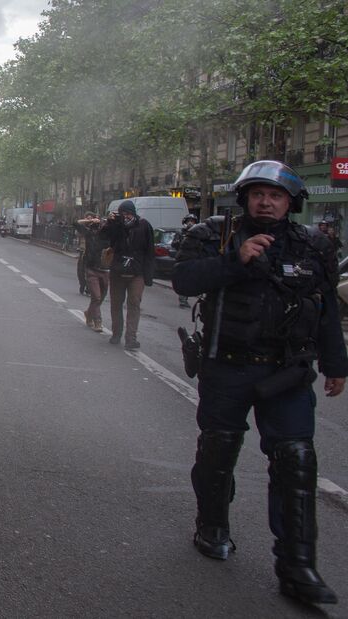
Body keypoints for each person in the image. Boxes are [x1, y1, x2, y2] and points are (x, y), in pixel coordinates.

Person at [173, 160, 346, 606]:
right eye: (258, 195)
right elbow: (183, 280)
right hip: (227, 366)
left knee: (296, 458)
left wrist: (336, 364)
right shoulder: (214, 235)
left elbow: (326, 307)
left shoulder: (313, 246)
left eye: (276, 196)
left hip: (287, 371)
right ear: (245, 199)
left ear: (291, 202)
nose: (266, 203)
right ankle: (212, 526)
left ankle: (297, 564)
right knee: (218, 449)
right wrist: (235, 260)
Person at [99, 200, 154, 349]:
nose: (125, 216)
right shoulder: (116, 225)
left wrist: (148, 276)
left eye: (128, 213)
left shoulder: (144, 225)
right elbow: (103, 238)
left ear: (133, 213)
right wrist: (110, 223)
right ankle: (116, 333)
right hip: (118, 271)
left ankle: (131, 338)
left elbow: (150, 251)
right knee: (116, 303)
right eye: (123, 214)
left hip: (137, 272)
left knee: (134, 303)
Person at [75, 212, 109, 332]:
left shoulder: (108, 234)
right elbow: (76, 223)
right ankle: (97, 321)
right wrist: (89, 221)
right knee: (96, 296)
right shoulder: (89, 234)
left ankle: (89, 313)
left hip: (105, 270)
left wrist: (107, 221)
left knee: (100, 298)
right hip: (92, 269)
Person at [176, 214, 198, 308]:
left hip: (193, 259)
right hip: (182, 259)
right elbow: (174, 244)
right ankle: (183, 300)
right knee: (183, 279)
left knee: (189, 280)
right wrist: (179, 243)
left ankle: (185, 297)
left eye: (192, 221)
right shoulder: (180, 233)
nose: (190, 223)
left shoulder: (197, 233)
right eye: (189, 221)